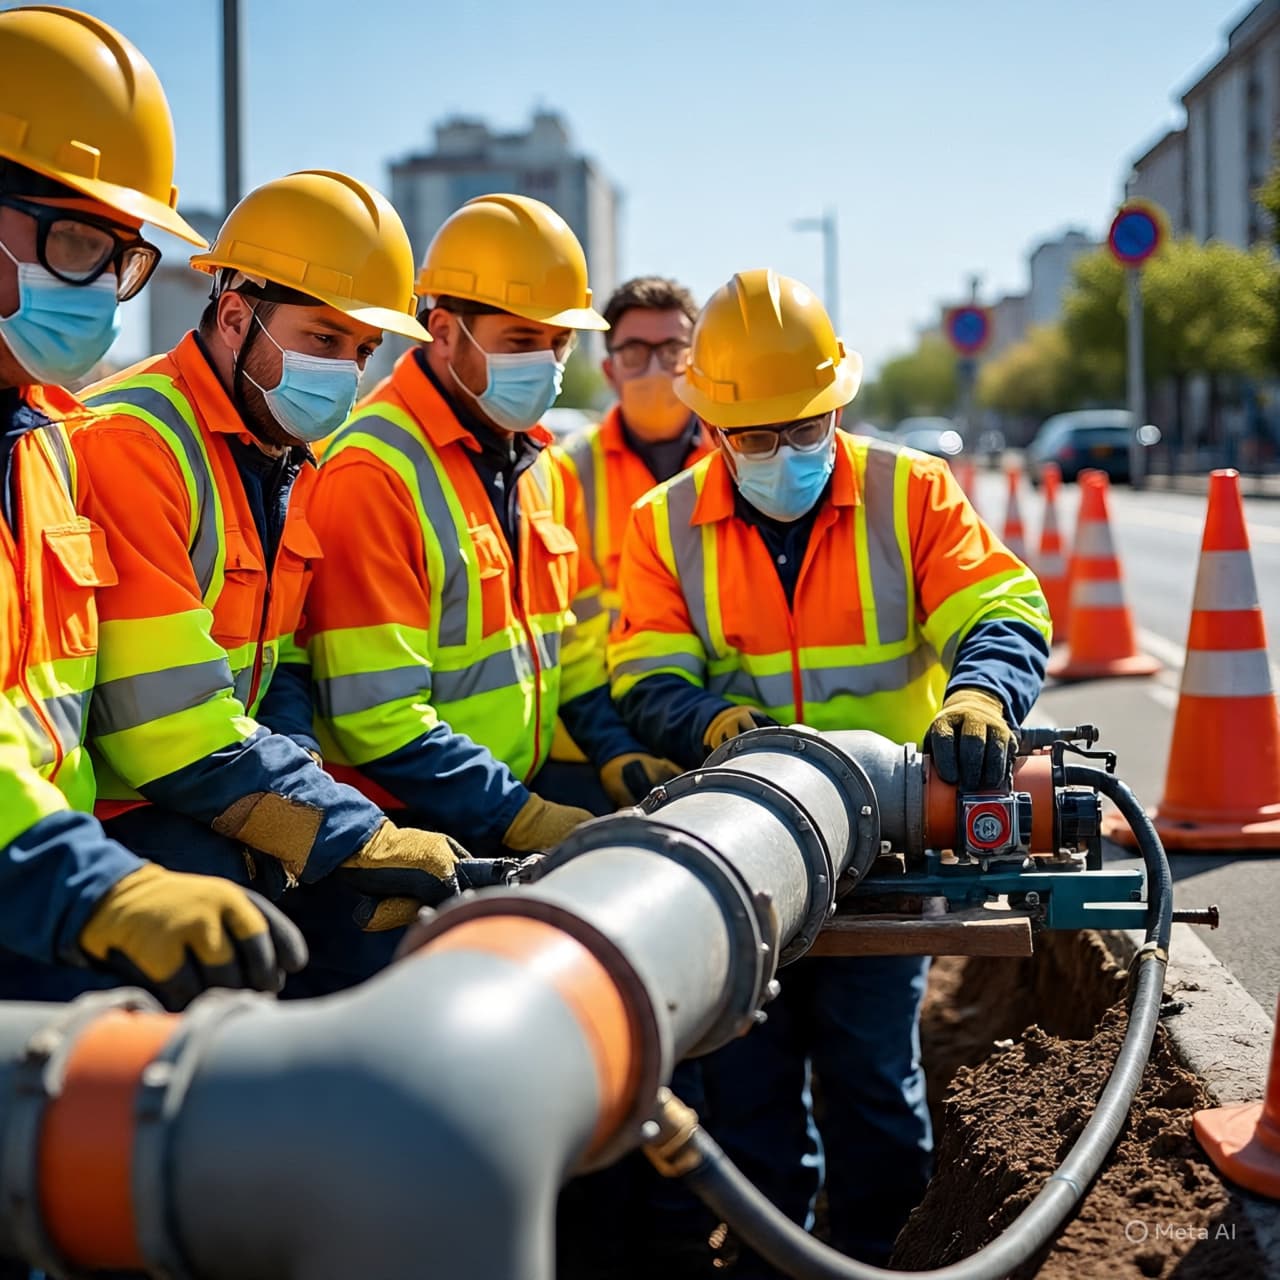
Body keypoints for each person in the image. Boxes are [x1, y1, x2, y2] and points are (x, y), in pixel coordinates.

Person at [609, 269, 1052, 1270]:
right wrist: (711, 717)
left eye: (802, 426)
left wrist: (979, 695)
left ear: (836, 403)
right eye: (753, 435)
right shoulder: (663, 522)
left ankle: (879, 1249)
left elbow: (1000, 606)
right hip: (741, 843)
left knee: (868, 1076)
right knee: (748, 1085)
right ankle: (774, 1255)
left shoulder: (911, 491)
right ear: (711, 426)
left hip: (885, 846)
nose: (781, 452)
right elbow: (641, 666)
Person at [68, 171, 476, 996]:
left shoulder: (294, 458)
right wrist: (347, 833)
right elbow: (163, 727)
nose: (347, 372)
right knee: (244, 969)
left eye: (363, 351)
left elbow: (279, 663)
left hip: (220, 787)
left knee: (380, 943)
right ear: (231, 315)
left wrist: (308, 794)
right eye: (324, 340)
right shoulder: (134, 440)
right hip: (122, 817)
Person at [0, 5, 307, 1011]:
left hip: (44, 900)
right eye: (80, 239)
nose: (109, 294)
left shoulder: (47, 440)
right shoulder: (122, 437)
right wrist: (104, 885)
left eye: (123, 258)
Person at [302, 193, 679, 860]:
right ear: (443, 330)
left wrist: (616, 752)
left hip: (492, 810)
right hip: (392, 836)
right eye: (522, 341)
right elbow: (374, 715)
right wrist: (521, 816)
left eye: (559, 343)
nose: (547, 365)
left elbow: (577, 647)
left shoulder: (540, 465)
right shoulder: (373, 471)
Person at [559, 276, 711, 626]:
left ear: (698, 363)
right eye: (635, 353)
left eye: (673, 351)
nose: (656, 369)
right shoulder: (568, 471)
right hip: (610, 676)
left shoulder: (737, 459)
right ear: (610, 371)